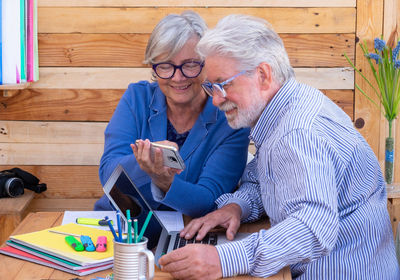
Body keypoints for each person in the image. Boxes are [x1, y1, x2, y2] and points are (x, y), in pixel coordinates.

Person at [158, 14, 400, 279]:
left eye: (224, 85)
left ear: (263, 74)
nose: (216, 100)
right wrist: (236, 207)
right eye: (211, 87)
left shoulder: (296, 133)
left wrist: (223, 259)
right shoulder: (288, 107)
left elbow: (313, 227)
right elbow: (271, 181)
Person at [94, 11, 250, 247]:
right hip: (122, 231)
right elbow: (108, 174)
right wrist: (145, 162)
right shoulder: (137, 98)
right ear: (153, 67)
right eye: (166, 66)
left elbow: (208, 200)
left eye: (190, 65)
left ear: (206, 65)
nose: (178, 78)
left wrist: (164, 181)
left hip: (188, 239)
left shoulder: (228, 118)